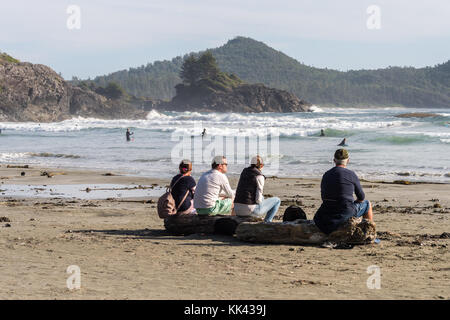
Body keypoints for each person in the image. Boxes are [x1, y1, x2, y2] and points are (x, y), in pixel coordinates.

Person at [313, 149, 373, 234]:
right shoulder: (351, 174)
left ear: (334, 160)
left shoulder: (326, 174)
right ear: (348, 161)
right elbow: (361, 197)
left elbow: (324, 196)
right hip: (345, 211)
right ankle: (369, 233)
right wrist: (355, 202)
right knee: (367, 204)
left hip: (327, 212)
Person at [234, 156, 281, 222]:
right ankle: (267, 221)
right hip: (248, 209)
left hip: (237, 209)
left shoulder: (244, 171)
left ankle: (255, 215)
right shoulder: (259, 176)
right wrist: (260, 205)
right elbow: (258, 198)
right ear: (261, 165)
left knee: (262, 197)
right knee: (277, 200)